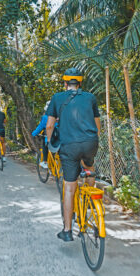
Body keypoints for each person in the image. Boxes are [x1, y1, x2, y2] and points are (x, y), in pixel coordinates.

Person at [45, 67, 101, 242]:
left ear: (65, 83)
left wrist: (50, 144)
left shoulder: (57, 98)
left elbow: (49, 126)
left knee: (69, 187)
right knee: (88, 166)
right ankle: (91, 202)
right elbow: (98, 126)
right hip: (90, 143)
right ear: (80, 83)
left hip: (69, 146)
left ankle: (67, 230)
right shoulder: (90, 98)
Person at [32, 101, 51, 169]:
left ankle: (45, 162)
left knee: (45, 146)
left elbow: (40, 127)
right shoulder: (59, 117)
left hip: (49, 139)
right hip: (59, 138)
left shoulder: (45, 117)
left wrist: (34, 134)